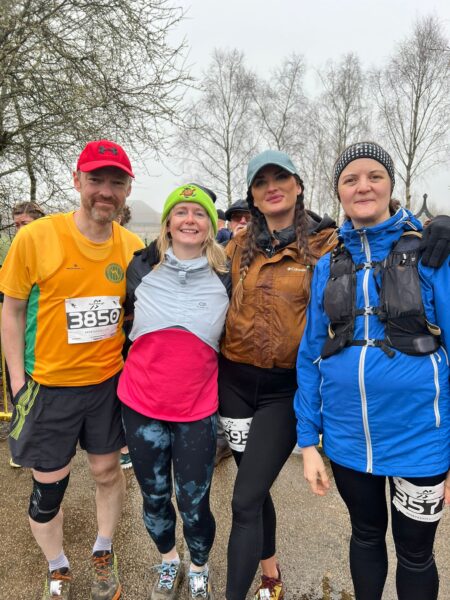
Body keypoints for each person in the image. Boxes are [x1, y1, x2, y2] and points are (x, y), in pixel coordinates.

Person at [295, 142, 450, 600]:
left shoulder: (431, 254)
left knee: (416, 553)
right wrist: (307, 442)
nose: (363, 185)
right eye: (350, 179)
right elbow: (310, 355)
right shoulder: (328, 264)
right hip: (347, 440)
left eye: (374, 176)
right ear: (339, 193)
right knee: (364, 536)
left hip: (420, 441)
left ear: (390, 185)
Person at [0, 139, 144, 600]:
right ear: (76, 179)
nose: (106, 191)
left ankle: (103, 551)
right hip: (49, 388)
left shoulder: (133, 246)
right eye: (96, 179)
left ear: (127, 190)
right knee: (49, 488)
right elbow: (12, 310)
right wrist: (19, 382)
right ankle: (57, 565)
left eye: (116, 182)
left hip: (106, 386)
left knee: (106, 472)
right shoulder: (35, 237)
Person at [218, 150, 337, 600]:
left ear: (298, 185)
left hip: (283, 391)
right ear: (251, 195)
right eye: (261, 180)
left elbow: (379, 240)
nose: (272, 185)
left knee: (244, 498)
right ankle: (270, 571)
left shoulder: (327, 244)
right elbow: (183, 254)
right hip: (233, 384)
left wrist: (422, 229)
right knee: (255, 484)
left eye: (280, 177)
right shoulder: (237, 246)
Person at [118, 183, 230, 600]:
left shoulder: (226, 274)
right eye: (180, 211)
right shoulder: (141, 268)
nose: (189, 219)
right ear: (168, 222)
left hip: (196, 410)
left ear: (210, 224)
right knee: (154, 497)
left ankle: (199, 566)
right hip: (142, 406)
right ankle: (169, 561)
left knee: (195, 502)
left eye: (198, 213)